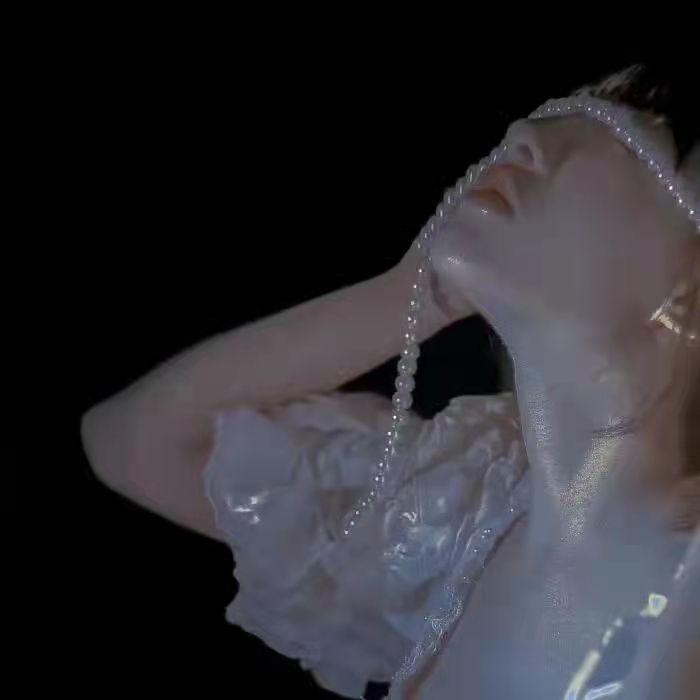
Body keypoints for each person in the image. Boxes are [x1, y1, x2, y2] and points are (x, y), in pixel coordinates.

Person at [80, 63, 700, 699]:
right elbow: (138, 443)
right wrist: (416, 294)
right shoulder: (460, 519)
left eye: (632, 135)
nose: (526, 133)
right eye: (577, 107)